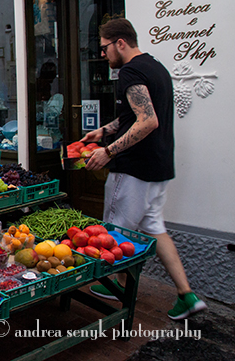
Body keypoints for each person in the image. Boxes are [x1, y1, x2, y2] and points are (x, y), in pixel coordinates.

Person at [82, 18, 206, 321]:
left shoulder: (130, 72)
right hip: (159, 167)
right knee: (155, 228)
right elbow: (133, 114)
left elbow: (148, 120)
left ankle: (118, 289)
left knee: (112, 232)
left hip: (133, 169)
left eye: (105, 47)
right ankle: (187, 295)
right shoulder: (156, 67)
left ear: (120, 43)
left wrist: (108, 150)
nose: (103, 54)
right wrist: (103, 131)